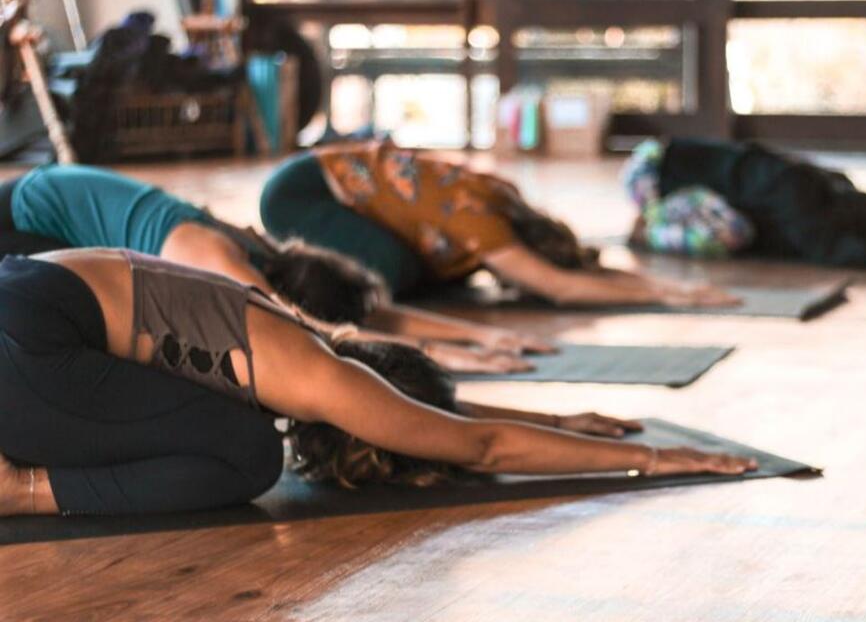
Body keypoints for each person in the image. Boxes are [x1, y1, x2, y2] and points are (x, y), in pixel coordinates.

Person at [0, 248, 755, 516]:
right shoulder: (318, 374)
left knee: (208, 423)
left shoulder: (282, 330)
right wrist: (654, 462)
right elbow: (479, 446)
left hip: (26, 313)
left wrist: (570, 419)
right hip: (24, 355)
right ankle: (19, 490)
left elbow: (455, 414)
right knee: (246, 454)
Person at [0, 164, 553, 373]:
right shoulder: (216, 257)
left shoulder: (260, 248)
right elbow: (310, 335)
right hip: (17, 218)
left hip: (46, 207)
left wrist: (482, 333)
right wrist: (442, 356)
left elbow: (373, 314)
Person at [260, 139, 740, 307]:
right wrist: (667, 293)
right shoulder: (486, 229)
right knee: (389, 276)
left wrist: (667, 288)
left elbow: (573, 274)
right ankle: (266, 264)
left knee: (421, 270)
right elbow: (563, 287)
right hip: (300, 195)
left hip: (313, 176)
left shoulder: (509, 202)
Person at [621, 138, 866, 280]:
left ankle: (646, 228)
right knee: (734, 232)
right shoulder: (805, 199)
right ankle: (644, 230)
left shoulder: (835, 200)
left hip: (689, 170)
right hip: (660, 170)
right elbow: (810, 235)